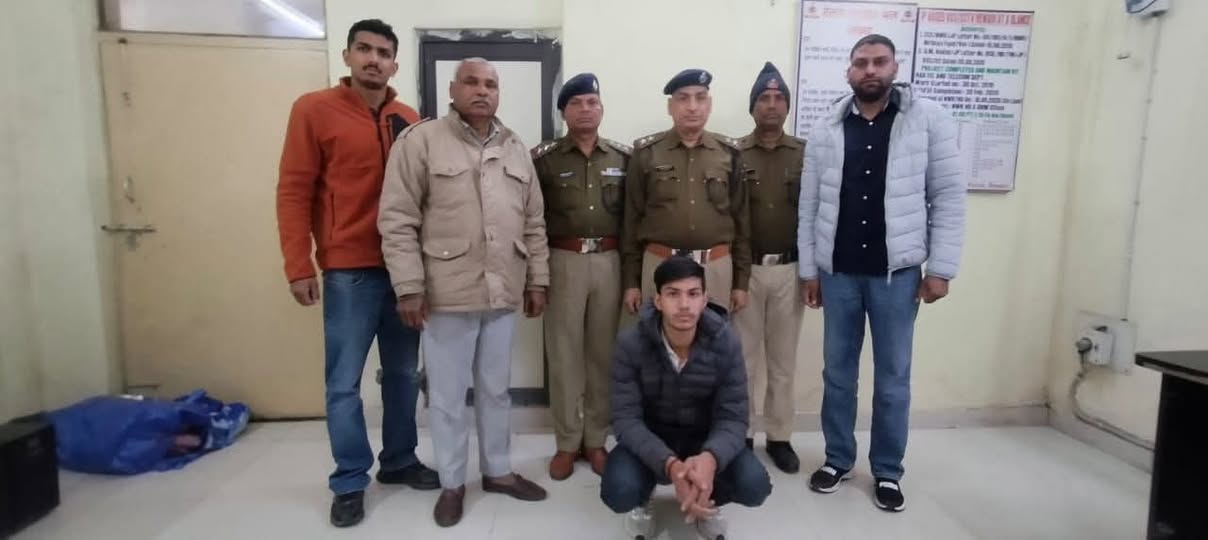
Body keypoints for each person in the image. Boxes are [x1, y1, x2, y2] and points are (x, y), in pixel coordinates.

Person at [275, 18, 439, 528]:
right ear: (347, 56)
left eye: (383, 53)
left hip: (404, 272)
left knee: (403, 374)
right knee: (344, 384)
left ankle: (399, 460)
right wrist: (298, 263)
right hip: (349, 271)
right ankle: (349, 479)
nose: (374, 59)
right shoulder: (313, 110)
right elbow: (293, 190)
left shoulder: (409, 119)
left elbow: (425, 199)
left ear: (395, 63)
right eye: (364, 49)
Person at [378, 57, 551, 528]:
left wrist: (537, 279)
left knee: (496, 391)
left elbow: (534, 221)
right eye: (471, 82)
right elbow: (397, 220)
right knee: (448, 396)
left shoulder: (515, 147)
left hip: (502, 291)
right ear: (452, 89)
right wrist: (409, 287)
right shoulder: (421, 141)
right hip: (445, 293)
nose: (482, 90)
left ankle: (498, 471)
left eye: (490, 84)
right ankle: (453, 482)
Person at [797, 34, 966, 512]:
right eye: (861, 63)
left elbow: (948, 196)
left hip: (899, 275)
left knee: (893, 379)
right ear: (849, 72)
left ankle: (888, 471)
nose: (869, 70)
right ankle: (838, 459)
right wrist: (810, 270)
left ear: (894, 67)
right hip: (839, 274)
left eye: (879, 62)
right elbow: (809, 205)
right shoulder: (827, 127)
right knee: (838, 375)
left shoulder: (927, 120)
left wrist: (941, 268)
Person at [601, 257, 772, 540]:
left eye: (693, 294)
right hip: (652, 438)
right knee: (619, 490)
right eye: (673, 294)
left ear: (704, 300)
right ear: (658, 301)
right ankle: (643, 500)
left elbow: (734, 417)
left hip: (704, 439)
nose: (684, 304)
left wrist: (710, 459)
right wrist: (671, 465)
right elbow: (625, 420)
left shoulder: (726, 341)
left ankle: (707, 500)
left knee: (754, 485)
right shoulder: (631, 344)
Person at [531, 73, 629, 480]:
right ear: (563, 112)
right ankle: (567, 442)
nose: (585, 110)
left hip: (610, 261)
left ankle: (596, 439)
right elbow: (532, 219)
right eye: (576, 103)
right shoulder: (545, 159)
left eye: (592, 102)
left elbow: (633, 219)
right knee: (564, 354)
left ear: (601, 109)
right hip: (563, 260)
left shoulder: (624, 158)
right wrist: (536, 276)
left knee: (603, 355)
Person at [621, 69, 751, 318]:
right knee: (658, 339)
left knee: (713, 339)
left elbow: (742, 221)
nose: (692, 107)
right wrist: (631, 282)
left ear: (709, 105)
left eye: (700, 98)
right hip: (660, 265)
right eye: (683, 98)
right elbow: (631, 221)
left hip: (715, 268)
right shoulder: (647, 153)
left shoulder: (729, 153)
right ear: (670, 107)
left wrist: (741, 283)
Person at [733, 62, 807, 474]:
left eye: (779, 98)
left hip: (790, 271)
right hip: (747, 271)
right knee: (742, 361)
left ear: (788, 106)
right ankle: (740, 435)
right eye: (764, 98)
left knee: (782, 362)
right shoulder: (734, 154)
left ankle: (779, 437)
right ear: (753, 107)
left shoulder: (805, 153)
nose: (772, 105)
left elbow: (815, 213)